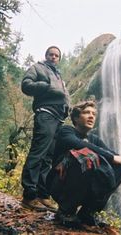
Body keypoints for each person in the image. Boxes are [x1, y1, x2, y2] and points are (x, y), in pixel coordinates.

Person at [47, 101, 121, 227]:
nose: (91, 116)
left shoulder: (95, 139)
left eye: (94, 114)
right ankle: (66, 210)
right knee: (84, 155)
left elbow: (114, 156)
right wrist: (109, 157)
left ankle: (88, 211)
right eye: (86, 113)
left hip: (87, 186)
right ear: (75, 118)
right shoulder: (66, 131)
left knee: (120, 166)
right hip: (60, 184)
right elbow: (79, 144)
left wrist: (111, 158)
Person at [21, 46, 70, 212]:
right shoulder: (37, 68)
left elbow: (63, 94)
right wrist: (46, 86)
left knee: (49, 158)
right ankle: (29, 195)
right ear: (46, 55)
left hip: (58, 118)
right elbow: (26, 85)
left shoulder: (58, 75)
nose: (54, 57)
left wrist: (67, 107)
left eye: (57, 55)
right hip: (46, 114)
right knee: (38, 152)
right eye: (51, 54)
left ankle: (43, 194)